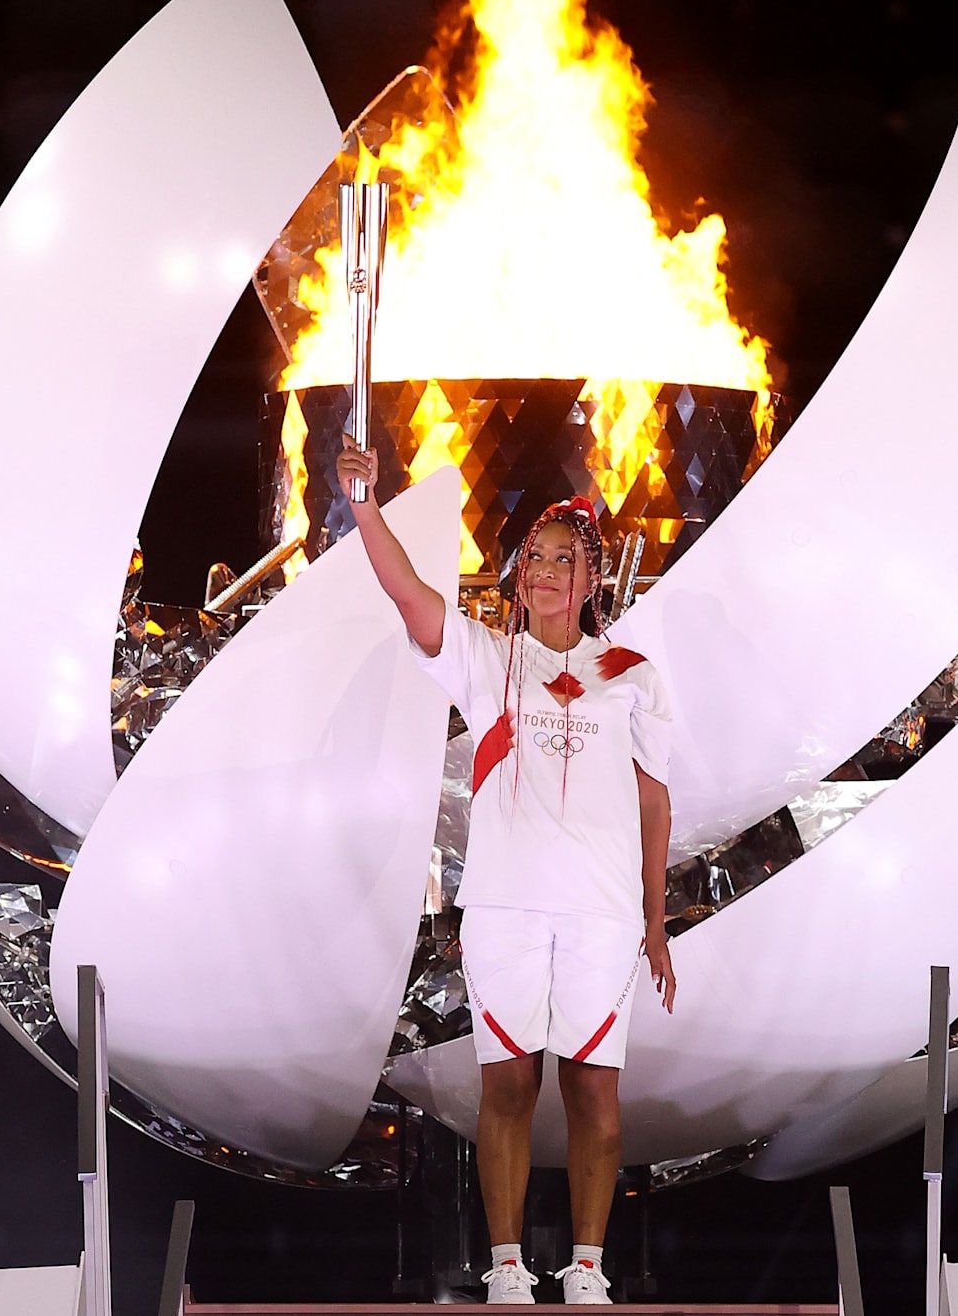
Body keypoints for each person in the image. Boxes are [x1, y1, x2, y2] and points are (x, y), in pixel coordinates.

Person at [338, 435, 677, 1305]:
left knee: (594, 1091)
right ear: (519, 575)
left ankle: (590, 1270)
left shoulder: (630, 674)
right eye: (535, 558)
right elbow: (410, 595)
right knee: (511, 1083)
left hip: (601, 915)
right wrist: (366, 506)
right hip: (506, 909)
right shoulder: (488, 662)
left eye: (566, 560)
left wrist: (654, 919)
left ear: (592, 580)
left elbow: (652, 800)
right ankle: (509, 1266)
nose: (547, 571)